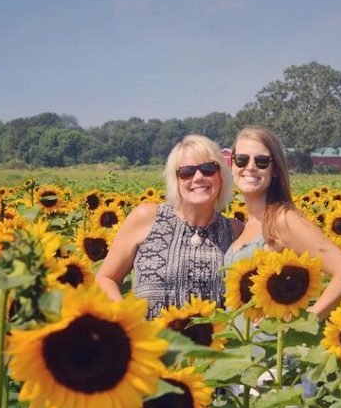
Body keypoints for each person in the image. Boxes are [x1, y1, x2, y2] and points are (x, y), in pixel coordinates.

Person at [97, 135, 243, 318]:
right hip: (149, 342)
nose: (198, 177)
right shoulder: (147, 218)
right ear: (176, 180)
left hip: (211, 345)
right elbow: (106, 278)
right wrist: (125, 318)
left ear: (221, 177)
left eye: (208, 169)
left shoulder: (235, 231)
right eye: (187, 172)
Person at [225, 126, 341, 319]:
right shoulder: (246, 224)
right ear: (233, 165)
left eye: (262, 161)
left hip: (270, 346)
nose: (250, 167)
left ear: (275, 170)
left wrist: (298, 325)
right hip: (239, 345)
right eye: (242, 160)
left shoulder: (283, 219)